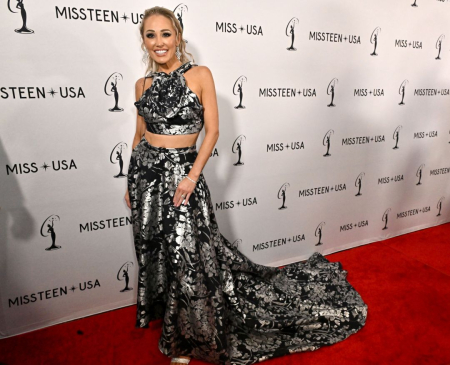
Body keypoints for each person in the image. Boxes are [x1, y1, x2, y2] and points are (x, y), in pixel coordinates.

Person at [126, 6, 368, 365]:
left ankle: (189, 340)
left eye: (165, 34)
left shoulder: (200, 75)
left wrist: (192, 176)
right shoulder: (141, 84)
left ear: (177, 36)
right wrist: (131, 184)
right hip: (146, 178)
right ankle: (171, 319)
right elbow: (138, 135)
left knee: (188, 258)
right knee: (158, 252)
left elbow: (214, 131)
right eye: (151, 35)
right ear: (143, 41)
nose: (159, 42)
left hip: (182, 177)